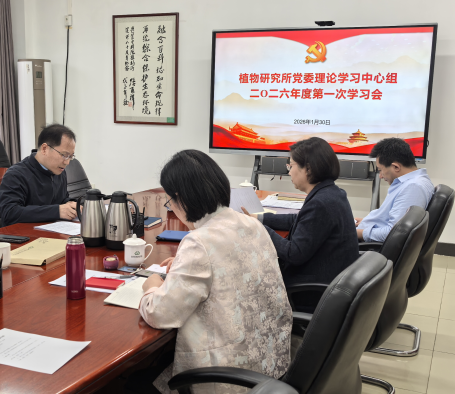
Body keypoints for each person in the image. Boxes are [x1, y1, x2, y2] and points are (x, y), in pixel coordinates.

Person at [135, 150, 292, 394]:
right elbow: (229, 262)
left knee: (134, 381)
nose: (172, 207)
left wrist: (151, 286)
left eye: (169, 201)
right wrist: (184, 263)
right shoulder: (252, 224)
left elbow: (160, 314)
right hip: (270, 365)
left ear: (180, 199)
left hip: (230, 377)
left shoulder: (199, 242)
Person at [243, 137, 359, 292]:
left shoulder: (320, 203)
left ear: (308, 169)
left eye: (291, 166)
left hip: (312, 289)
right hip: (331, 277)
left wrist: (258, 227)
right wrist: (258, 218)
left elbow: (293, 254)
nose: (289, 172)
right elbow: (298, 220)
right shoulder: (332, 193)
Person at [356, 138, 434, 242]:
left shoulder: (413, 187)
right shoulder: (410, 182)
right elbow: (390, 221)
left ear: (396, 167)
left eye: (380, 170)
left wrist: (355, 233)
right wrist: (366, 222)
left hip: (367, 245)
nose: (380, 176)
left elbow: (394, 233)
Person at [0, 124, 78, 227]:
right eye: (64, 155)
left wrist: (73, 205)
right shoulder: (16, 174)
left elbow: (60, 200)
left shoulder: (59, 172)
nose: (67, 162)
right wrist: (57, 211)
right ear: (44, 149)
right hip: (24, 234)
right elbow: (9, 213)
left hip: (53, 230)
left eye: (70, 156)